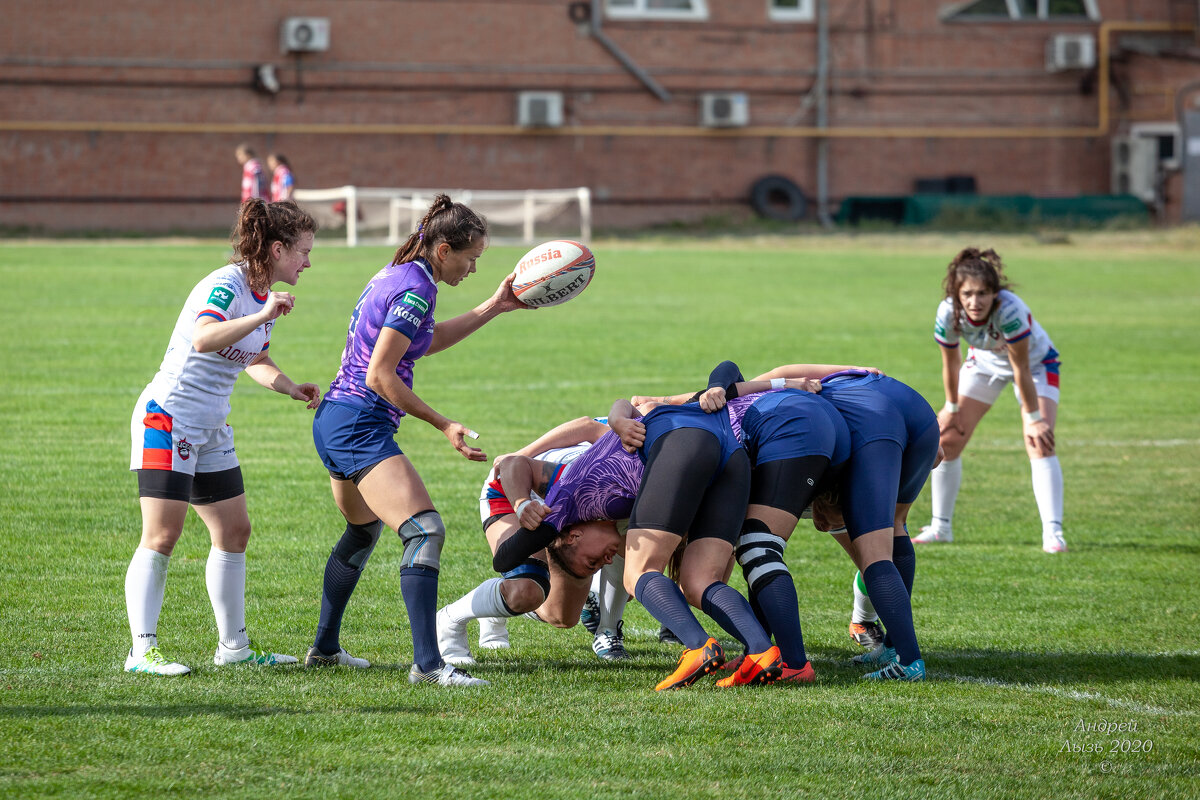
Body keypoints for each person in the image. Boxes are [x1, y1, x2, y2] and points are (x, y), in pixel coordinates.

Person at [306, 194, 523, 687]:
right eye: (471, 258)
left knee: (362, 532)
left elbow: (425, 341)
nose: (473, 268)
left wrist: (495, 305)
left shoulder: (404, 274)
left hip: (336, 420)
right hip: (360, 423)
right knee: (425, 531)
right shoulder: (414, 290)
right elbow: (383, 376)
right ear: (444, 249)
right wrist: (444, 424)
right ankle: (428, 666)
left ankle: (324, 649)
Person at [124, 199, 320, 675]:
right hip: (166, 419)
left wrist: (289, 386)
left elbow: (253, 358)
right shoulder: (227, 284)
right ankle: (142, 651)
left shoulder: (265, 295)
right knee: (163, 534)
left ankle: (234, 647)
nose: (308, 262)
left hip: (211, 427)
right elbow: (204, 337)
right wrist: (262, 313)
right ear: (277, 249)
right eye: (304, 252)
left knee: (234, 532)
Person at [609, 398, 783, 690]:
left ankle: (698, 647)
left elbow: (620, 404)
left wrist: (617, 421)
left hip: (684, 444)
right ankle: (761, 651)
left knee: (639, 571)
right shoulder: (691, 403)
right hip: (733, 455)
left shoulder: (649, 414)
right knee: (700, 580)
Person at [914, 247, 1065, 553]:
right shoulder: (947, 312)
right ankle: (941, 527)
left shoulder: (1010, 310)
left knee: (1039, 440)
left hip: (1036, 365)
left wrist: (1035, 419)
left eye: (983, 293)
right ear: (957, 294)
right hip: (983, 363)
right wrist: (952, 408)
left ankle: (1053, 533)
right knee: (948, 439)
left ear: (995, 293)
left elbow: (1020, 367)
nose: (975, 301)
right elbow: (951, 362)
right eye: (967, 293)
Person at [435, 433, 627, 669]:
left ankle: (496, 609)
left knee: (563, 617)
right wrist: (522, 503)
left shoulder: (629, 501)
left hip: (572, 513)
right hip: (512, 488)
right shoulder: (588, 483)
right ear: (574, 536)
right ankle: (449, 619)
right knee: (524, 590)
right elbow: (513, 464)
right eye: (593, 562)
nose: (606, 561)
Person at [805, 370, 941, 681]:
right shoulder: (788, 387)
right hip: (916, 409)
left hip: (875, 423)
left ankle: (909, 662)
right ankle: (893, 646)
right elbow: (939, 455)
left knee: (874, 555)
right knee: (895, 526)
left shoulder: (762, 413)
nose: (819, 524)